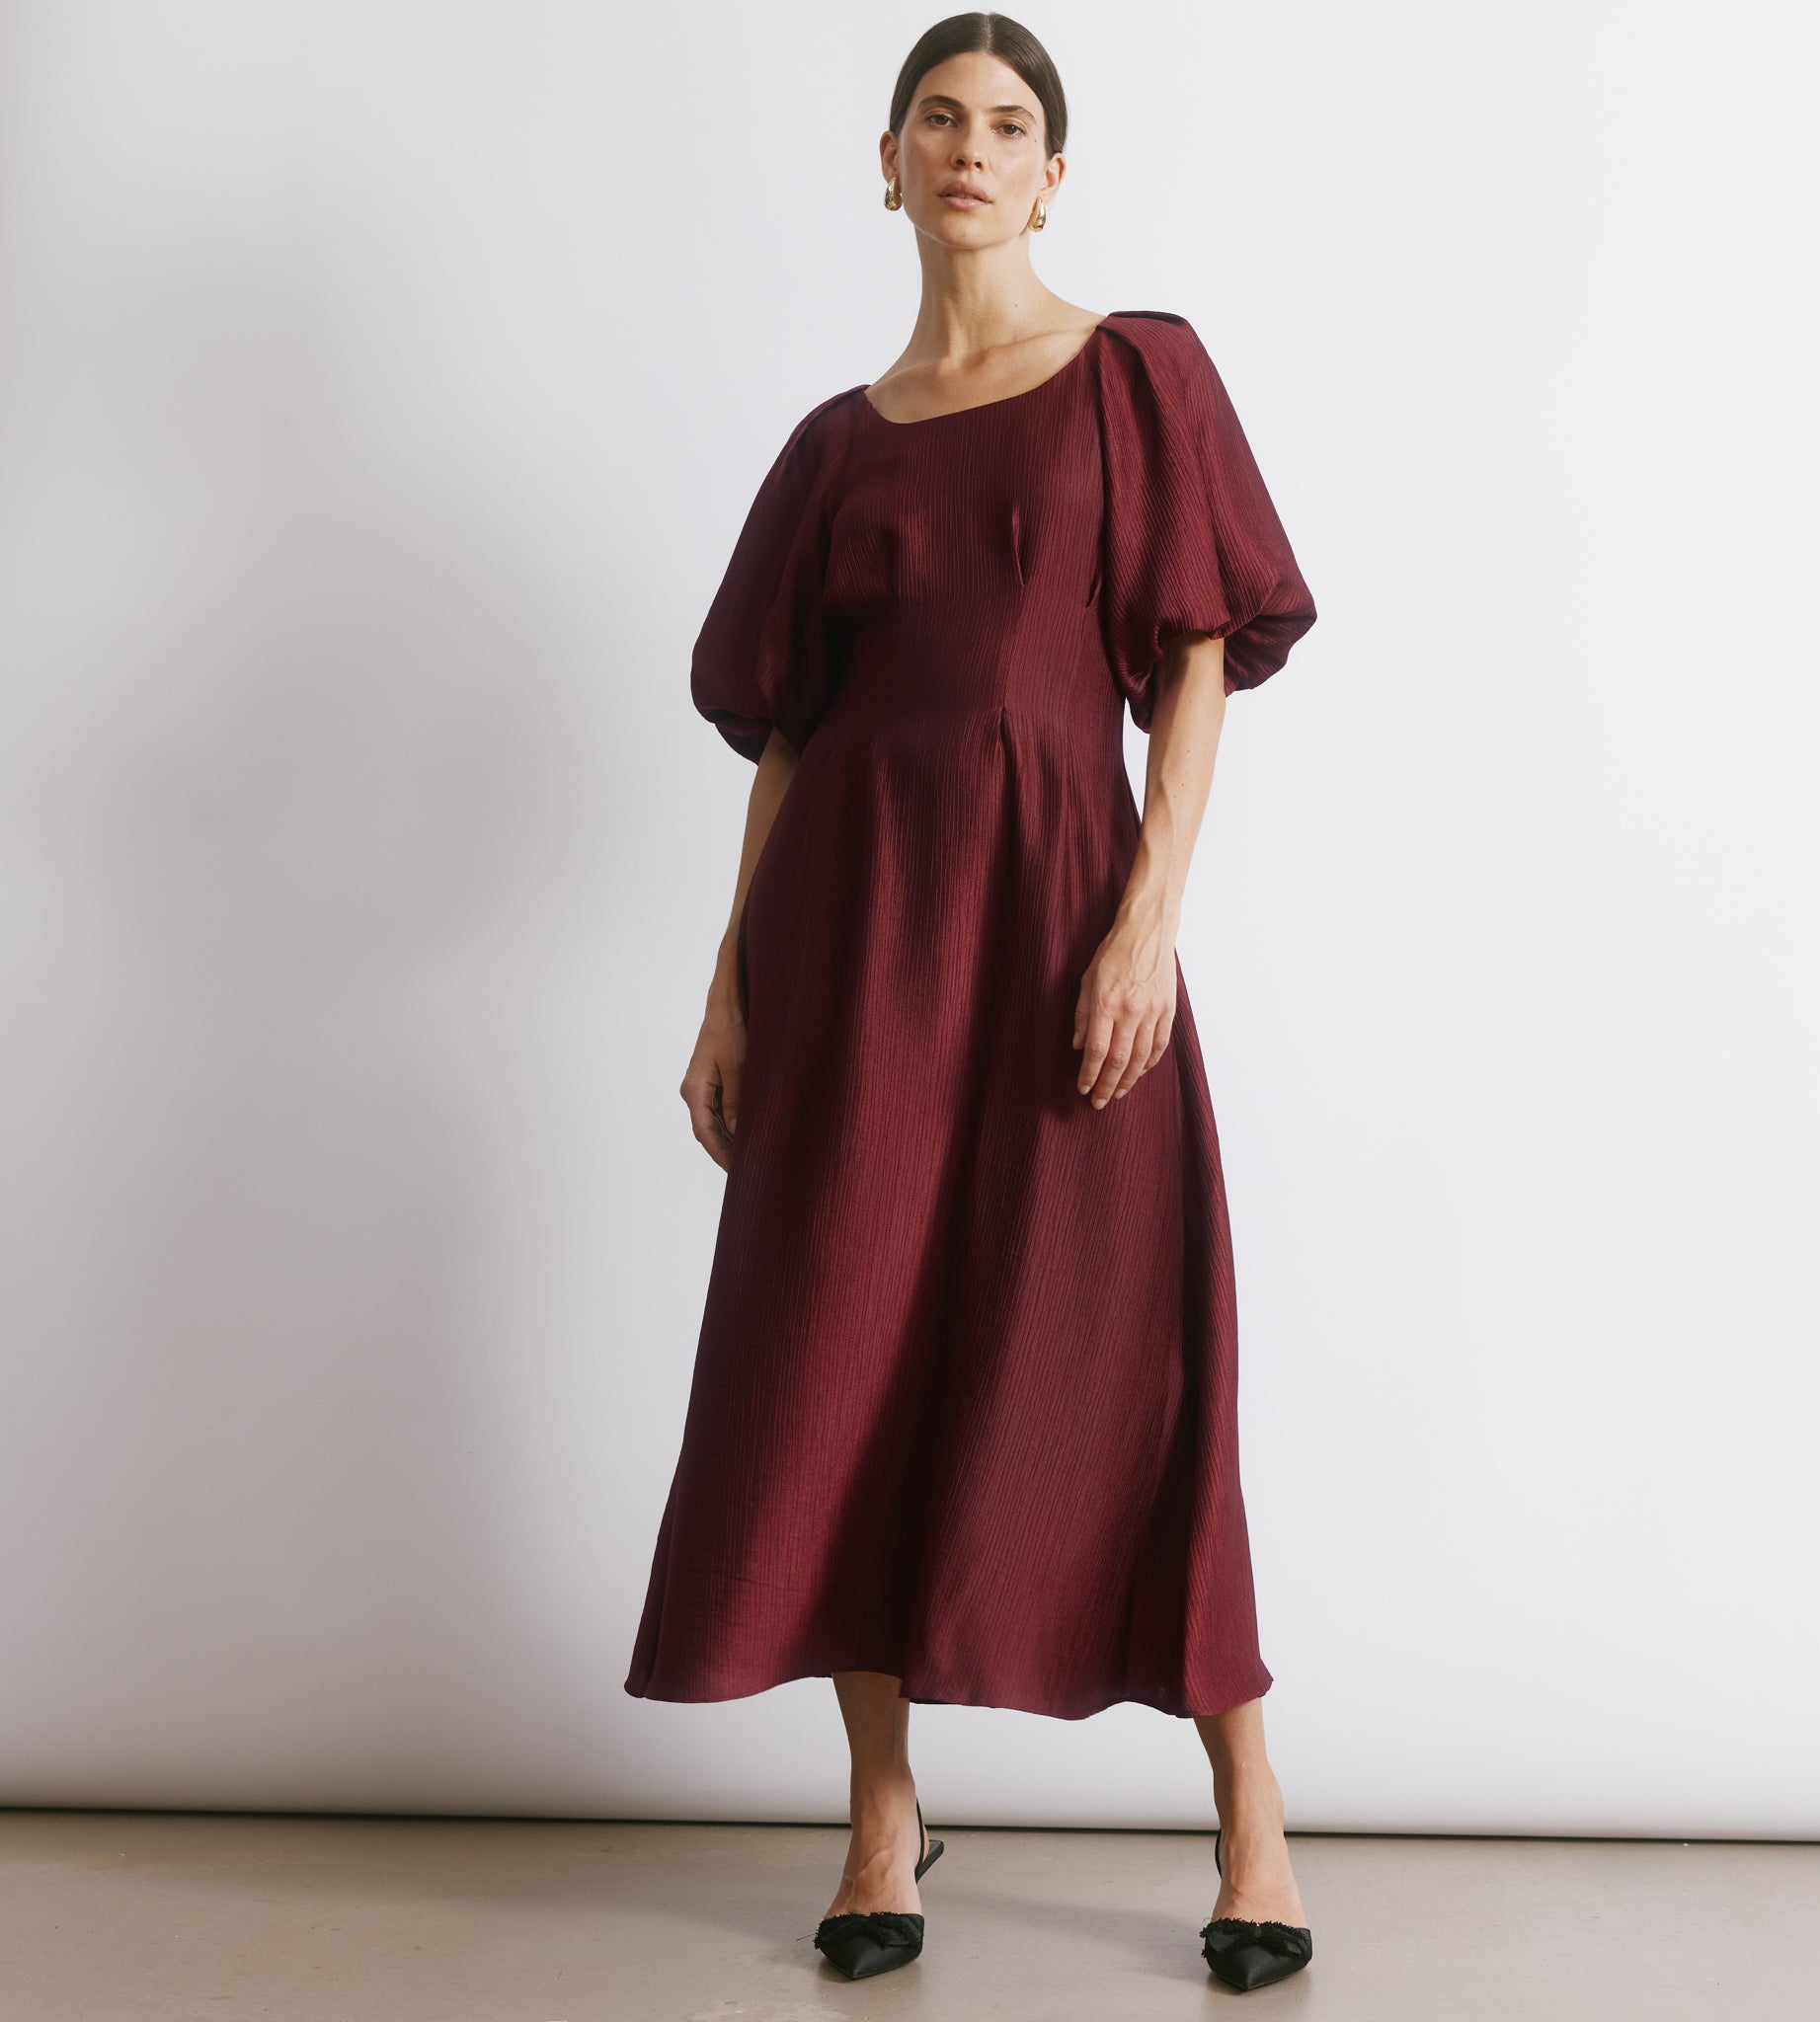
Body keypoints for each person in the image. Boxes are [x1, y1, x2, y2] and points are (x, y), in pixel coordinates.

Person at [624, 10, 1318, 1995]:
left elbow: (1196, 651)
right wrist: (729, 988)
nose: (971, 149)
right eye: (938, 117)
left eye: (1009, 124)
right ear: (888, 160)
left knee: (1139, 1360)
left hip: (1053, 922)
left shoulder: (1135, 376)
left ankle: (1252, 1815)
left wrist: (1145, 920)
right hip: (852, 945)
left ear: (1052, 175)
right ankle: (879, 1815)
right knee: (839, 1352)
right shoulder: (834, 448)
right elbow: (787, 736)